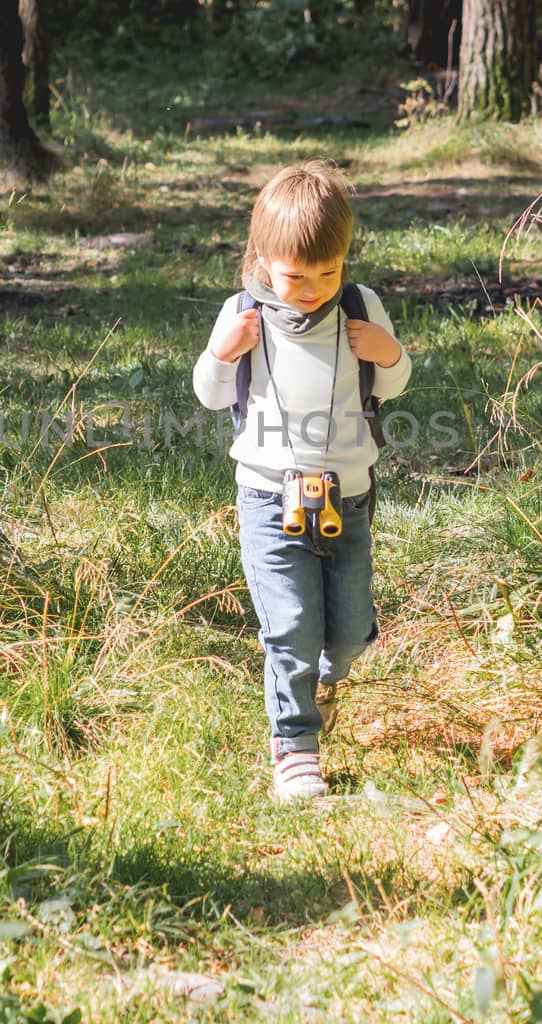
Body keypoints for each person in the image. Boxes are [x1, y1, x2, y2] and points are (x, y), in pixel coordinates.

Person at [192, 160, 412, 802]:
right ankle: (294, 745)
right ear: (263, 259)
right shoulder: (242, 315)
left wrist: (387, 353)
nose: (312, 287)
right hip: (268, 494)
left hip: (348, 491)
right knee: (288, 624)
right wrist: (223, 350)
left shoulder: (360, 307)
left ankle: (323, 678)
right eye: (295, 275)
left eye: (328, 272)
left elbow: (395, 383)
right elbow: (209, 395)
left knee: (346, 632)